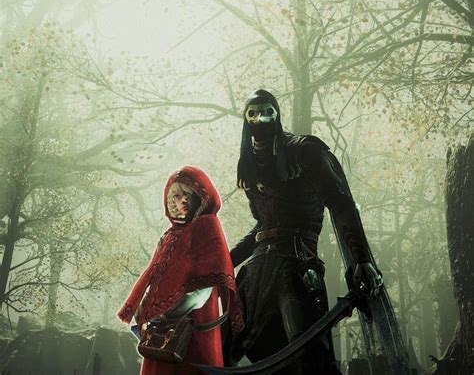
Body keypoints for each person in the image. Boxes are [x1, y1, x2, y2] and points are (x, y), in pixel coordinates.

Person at [228, 89, 383, 374]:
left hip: (297, 266)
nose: (260, 119)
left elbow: (341, 204)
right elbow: (263, 226)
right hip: (256, 272)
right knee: (226, 348)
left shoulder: (304, 150)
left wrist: (360, 258)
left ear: (277, 113)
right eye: (253, 113)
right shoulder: (248, 165)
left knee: (309, 354)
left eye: (267, 112)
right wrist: (222, 264)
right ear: (246, 119)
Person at [118, 166, 244, 375]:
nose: (182, 200)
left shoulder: (206, 226)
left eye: (188, 194)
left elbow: (203, 289)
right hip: (163, 330)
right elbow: (156, 280)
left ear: (199, 197)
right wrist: (147, 312)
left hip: (191, 327)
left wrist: (164, 315)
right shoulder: (170, 235)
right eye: (176, 196)